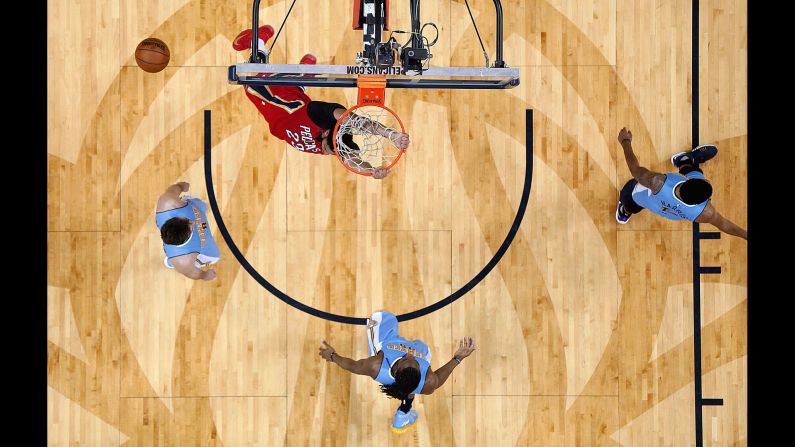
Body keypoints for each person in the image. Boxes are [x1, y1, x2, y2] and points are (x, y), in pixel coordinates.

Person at [233, 25, 410, 179]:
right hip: (280, 102)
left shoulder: (339, 144)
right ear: (326, 132)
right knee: (253, 79)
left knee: (287, 91)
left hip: (285, 112)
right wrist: (390, 134)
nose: (326, 152)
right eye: (329, 147)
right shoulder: (320, 114)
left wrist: (371, 170)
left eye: (332, 151)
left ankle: (303, 76)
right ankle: (258, 41)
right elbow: (357, 122)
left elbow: (352, 160)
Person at [318, 311, 476, 434]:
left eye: (408, 359)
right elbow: (439, 378)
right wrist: (458, 358)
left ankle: (403, 413)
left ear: (397, 368)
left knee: (380, 318)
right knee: (424, 352)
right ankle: (404, 413)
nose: (410, 355)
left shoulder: (376, 365)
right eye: (413, 360)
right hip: (412, 379)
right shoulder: (428, 382)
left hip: (385, 344)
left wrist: (332, 356)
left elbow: (353, 366)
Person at [615, 127, 747, 239]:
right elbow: (725, 225)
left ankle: (624, 211)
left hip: (646, 197)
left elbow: (635, 170)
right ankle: (684, 160)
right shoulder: (706, 212)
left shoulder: (657, 182)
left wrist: (625, 142)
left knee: (633, 201)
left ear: (685, 181)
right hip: (672, 213)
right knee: (694, 171)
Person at [155, 182, 220, 280]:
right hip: (185, 255)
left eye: (185, 220)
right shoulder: (183, 260)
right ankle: (172, 262)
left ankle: (172, 260)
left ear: (173, 220)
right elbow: (193, 273)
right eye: (190, 227)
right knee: (215, 257)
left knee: (202, 206)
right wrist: (205, 275)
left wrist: (181, 186)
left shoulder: (167, 202)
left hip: (194, 206)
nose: (192, 222)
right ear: (185, 239)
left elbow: (175, 188)